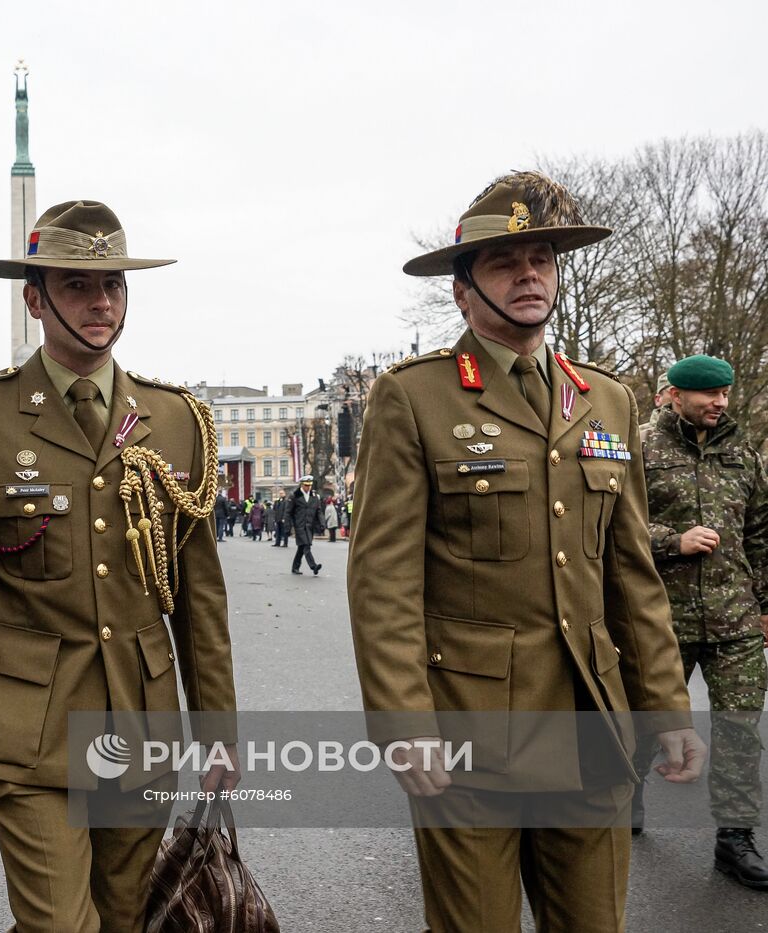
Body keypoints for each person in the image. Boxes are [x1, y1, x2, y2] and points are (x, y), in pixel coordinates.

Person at [0, 200, 238, 932]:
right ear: (34, 298)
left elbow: (202, 600)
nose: (101, 302)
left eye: (115, 286)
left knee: (126, 916)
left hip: (142, 717)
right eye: (76, 285)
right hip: (25, 728)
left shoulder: (176, 419)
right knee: (58, 922)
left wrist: (218, 728)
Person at [348, 170, 705, 932]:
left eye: (542, 258)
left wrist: (666, 704)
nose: (529, 275)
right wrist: (404, 723)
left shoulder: (606, 398)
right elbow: (384, 581)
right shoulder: (415, 397)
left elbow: (631, 574)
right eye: (507, 263)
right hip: (472, 733)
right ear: (462, 289)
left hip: (591, 727)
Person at [635, 353, 768, 889]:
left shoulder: (745, 454)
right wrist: (672, 541)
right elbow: (609, 524)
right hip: (660, 617)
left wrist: (764, 606)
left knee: (741, 731)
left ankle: (734, 840)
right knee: (647, 720)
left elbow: (761, 533)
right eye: (708, 394)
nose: (720, 403)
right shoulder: (639, 448)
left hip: (735, 620)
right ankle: (627, 794)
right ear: (674, 394)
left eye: (726, 393)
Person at [288, 476, 322, 575]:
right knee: (306, 546)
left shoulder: (314, 496)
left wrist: (322, 523)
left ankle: (295, 567)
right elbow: (288, 512)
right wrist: (288, 526)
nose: (308, 487)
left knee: (301, 548)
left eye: (310, 485)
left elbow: (318, 511)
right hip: (299, 526)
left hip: (309, 526)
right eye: (306, 485)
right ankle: (314, 566)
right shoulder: (295, 495)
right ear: (302, 485)